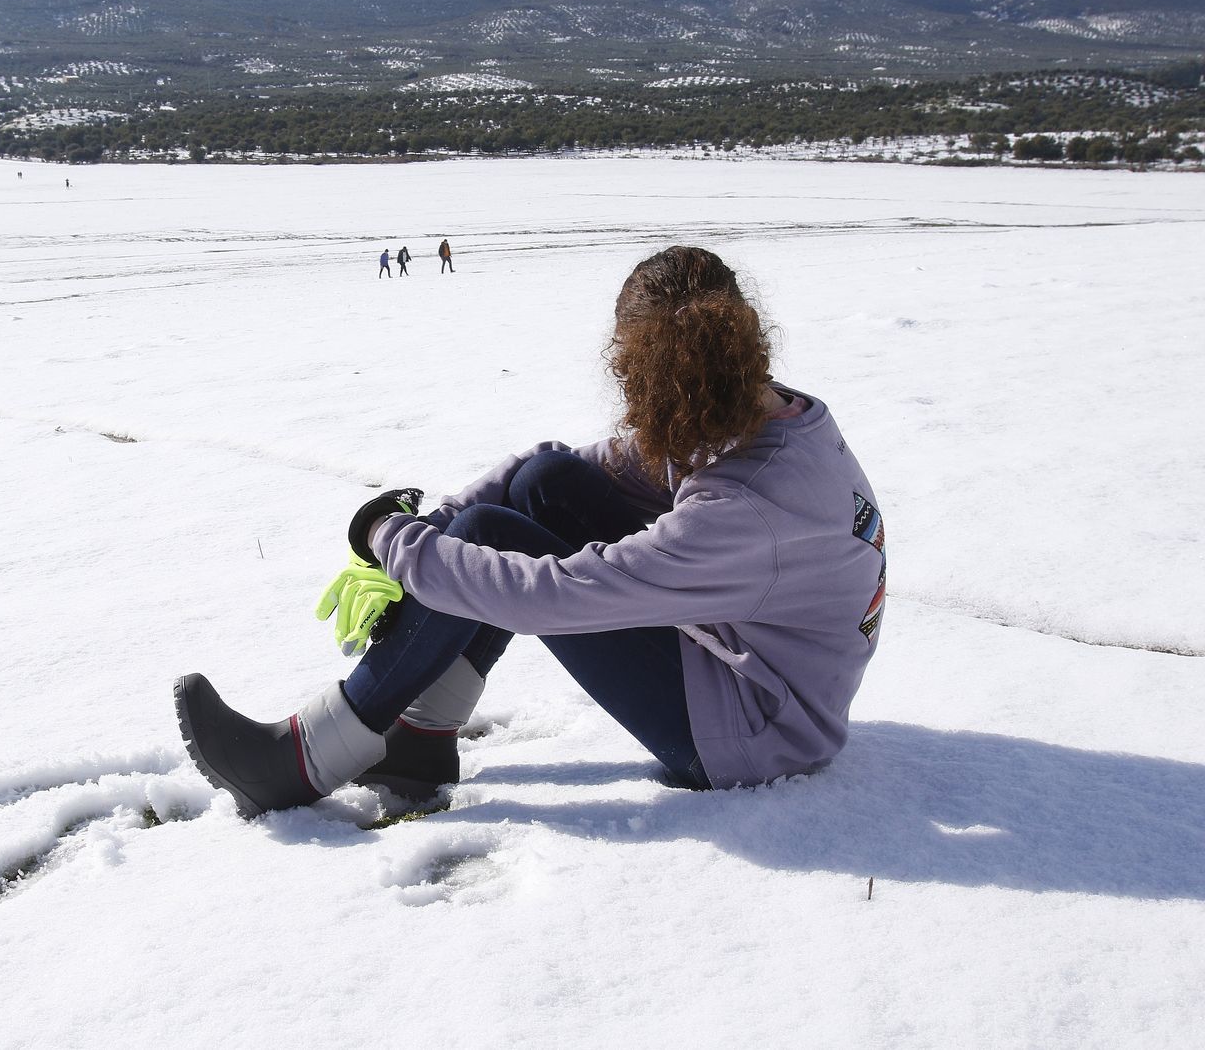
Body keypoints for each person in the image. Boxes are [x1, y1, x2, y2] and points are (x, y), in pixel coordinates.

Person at [174, 246, 887, 817]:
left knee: (494, 539)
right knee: (538, 486)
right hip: (758, 664)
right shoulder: (759, 411)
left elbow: (556, 595)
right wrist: (437, 523)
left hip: (756, 737)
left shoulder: (749, 510)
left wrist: (395, 541)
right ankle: (418, 741)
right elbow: (564, 467)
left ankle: (297, 763)